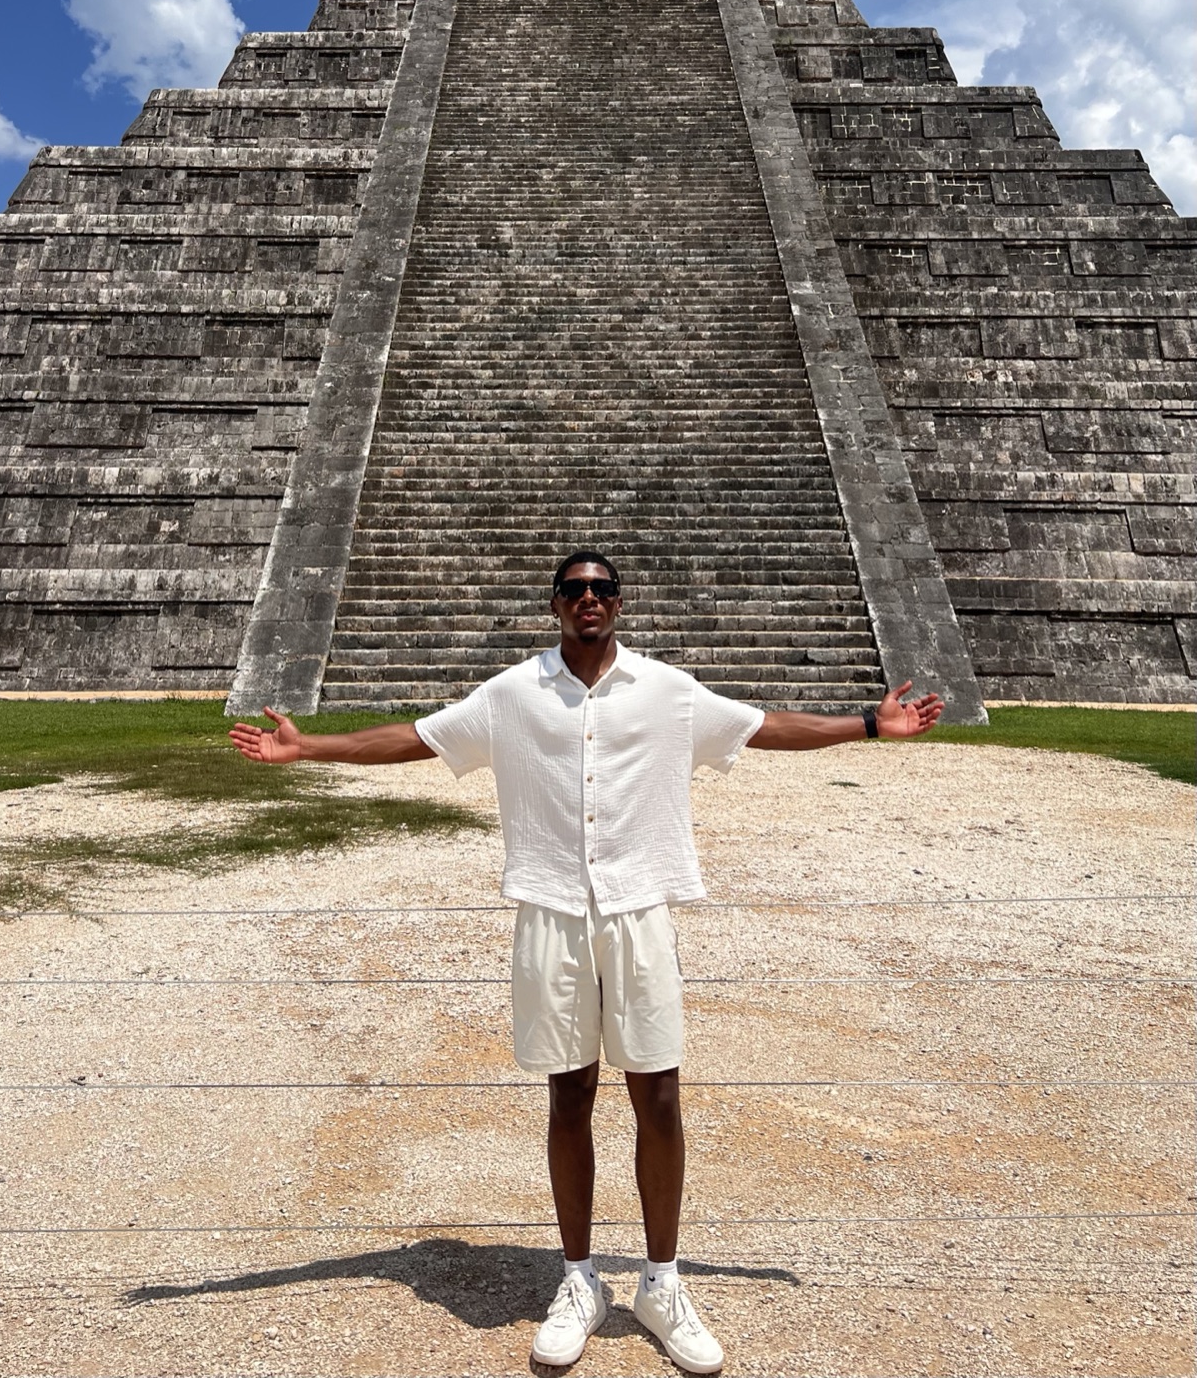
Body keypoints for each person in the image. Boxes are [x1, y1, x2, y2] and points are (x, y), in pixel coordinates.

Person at [230, 551, 943, 1373]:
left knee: (659, 1092)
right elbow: (418, 737)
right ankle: (578, 1280)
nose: (590, 600)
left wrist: (866, 723)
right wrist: (308, 749)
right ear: (556, 606)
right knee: (568, 1094)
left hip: (640, 908)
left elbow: (760, 726)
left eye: (602, 589)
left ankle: (662, 1282)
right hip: (552, 910)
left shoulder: (666, 689)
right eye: (575, 590)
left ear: (620, 602)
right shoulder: (513, 693)